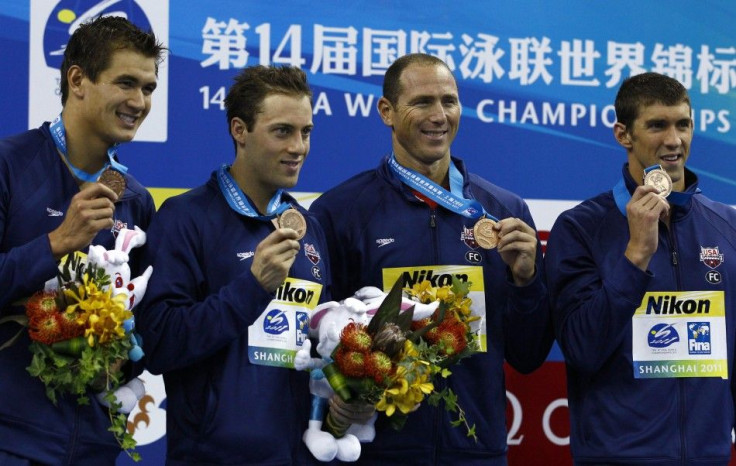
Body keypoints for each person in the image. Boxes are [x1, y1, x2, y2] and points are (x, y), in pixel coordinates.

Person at [309, 53, 553, 465]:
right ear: (386, 111)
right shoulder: (340, 212)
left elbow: (527, 356)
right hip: (379, 454)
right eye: (422, 102)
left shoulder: (503, 212)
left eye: (449, 101)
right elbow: (316, 340)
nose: (439, 115)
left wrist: (526, 282)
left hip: (476, 451)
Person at [137, 65, 331, 465]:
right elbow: (159, 344)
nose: (298, 147)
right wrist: (253, 286)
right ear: (239, 130)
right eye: (282, 131)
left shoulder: (308, 228)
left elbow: (316, 347)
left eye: (306, 132)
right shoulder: (184, 218)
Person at [545, 72, 736, 464]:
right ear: (623, 134)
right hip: (618, 457)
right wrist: (635, 256)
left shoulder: (727, 226)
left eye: (683, 124)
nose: (674, 140)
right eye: (657, 125)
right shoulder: (580, 228)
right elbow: (581, 349)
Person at [0, 15, 164, 465]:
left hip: (94, 445)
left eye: (148, 88)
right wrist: (56, 243)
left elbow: (143, 323)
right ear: (77, 80)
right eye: (126, 83)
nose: (139, 101)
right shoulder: (9, 167)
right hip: (12, 440)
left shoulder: (135, 200)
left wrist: (122, 363)